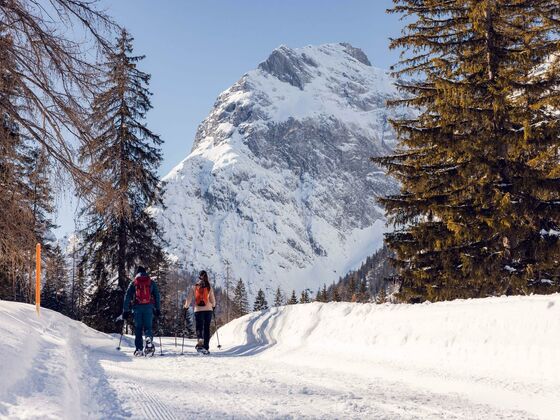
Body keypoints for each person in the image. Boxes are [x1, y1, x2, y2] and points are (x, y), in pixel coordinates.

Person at [122, 266, 161, 356]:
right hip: (148, 308)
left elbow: (127, 297)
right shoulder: (151, 282)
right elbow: (157, 296)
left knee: (138, 328)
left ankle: (139, 349)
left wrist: (125, 310)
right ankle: (148, 340)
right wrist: (157, 309)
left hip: (137, 308)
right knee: (148, 327)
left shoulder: (134, 283)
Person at [184, 270, 216, 354]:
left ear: (199, 277)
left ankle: (200, 339)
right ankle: (206, 347)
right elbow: (212, 300)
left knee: (199, 327)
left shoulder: (194, 287)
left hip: (198, 310)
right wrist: (213, 306)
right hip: (208, 310)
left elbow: (189, 298)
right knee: (206, 328)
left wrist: (186, 306)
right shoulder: (209, 286)